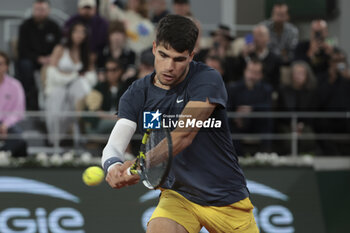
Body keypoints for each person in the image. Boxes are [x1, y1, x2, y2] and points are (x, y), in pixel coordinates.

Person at [102, 15, 258, 233]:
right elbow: (115, 145)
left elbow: (183, 135)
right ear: (154, 48)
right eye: (163, 55)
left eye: (179, 59)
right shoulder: (137, 92)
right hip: (178, 195)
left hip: (225, 197)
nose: (169, 67)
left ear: (191, 56)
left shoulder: (207, 79)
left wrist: (141, 165)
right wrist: (112, 166)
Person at [45, 22, 97, 145]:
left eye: (82, 32)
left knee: (80, 84)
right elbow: (51, 72)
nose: (79, 35)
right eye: (76, 31)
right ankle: (56, 140)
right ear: (70, 33)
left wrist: (73, 76)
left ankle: (83, 120)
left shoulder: (87, 54)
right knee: (62, 96)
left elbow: (91, 76)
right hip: (59, 87)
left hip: (76, 91)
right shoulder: (60, 49)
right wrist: (72, 76)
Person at [17, 0, 62, 110]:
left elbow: (59, 47)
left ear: (48, 11)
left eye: (43, 10)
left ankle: (54, 102)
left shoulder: (54, 27)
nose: (40, 13)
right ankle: (30, 102)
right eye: (37, 10)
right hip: (31, 59)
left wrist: (52, 57)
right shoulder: (25, 26)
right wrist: (38, 58)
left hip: (51, 59)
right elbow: (22, 49)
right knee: (25, 66)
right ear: (33, 10)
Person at [227, 58, 273, 154]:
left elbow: (268, 107)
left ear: (261, 75)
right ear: (245, 71)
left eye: (256, 73)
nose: (252, 76)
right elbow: (228, 107)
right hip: (238, 123)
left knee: (268, 123)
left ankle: (265, 156)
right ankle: (235, 157)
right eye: (250, 71)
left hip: (257, 121)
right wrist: (236, 116)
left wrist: (252, 109)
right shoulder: (234, 88)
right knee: (228, 125)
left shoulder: (266, 89)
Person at [276, 61, 318, 154]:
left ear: (307, 75)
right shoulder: (283, 90)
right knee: (288, 139)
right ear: (291, 74)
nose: (299, 76)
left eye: (302, 73)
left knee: (308, 137)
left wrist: (301, 125)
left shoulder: (311, 92)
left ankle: (306, 159)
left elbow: (312, 112)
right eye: (296, 72)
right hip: (287, 124)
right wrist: (292, 124)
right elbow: (280, 112)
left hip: (305, 124)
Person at [0, 52, 27, 157]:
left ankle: (3, 156)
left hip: (9, 125)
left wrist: (5, 125)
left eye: (1, 64)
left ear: (7, 67)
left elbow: (19, 111)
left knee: (18, 136)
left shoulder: (15, 85)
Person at [237, 24, 281, 90]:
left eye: (260, 35)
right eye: (254, 35)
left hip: (265, 91)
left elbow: (275, 82)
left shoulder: (275, 58)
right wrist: (244, 56)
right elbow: (237, 75)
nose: (256, 38)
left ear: (268, 39)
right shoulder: (246, 55)